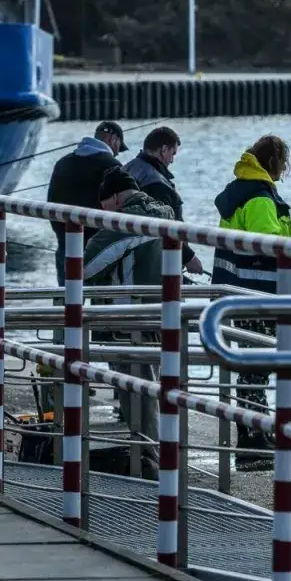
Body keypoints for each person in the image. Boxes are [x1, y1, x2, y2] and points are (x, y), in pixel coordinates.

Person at [210, 134, 291, 471]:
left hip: (235, 293)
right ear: (273, 160)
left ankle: (254, 430)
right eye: (284, 162)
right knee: (256, 366)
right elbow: (269, 243)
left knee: (249, 365)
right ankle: (252, 438)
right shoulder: (259, 197)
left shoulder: (240, 191)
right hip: (257, 294)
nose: (285, 170)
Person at [82, 167, 173, 479]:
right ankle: (154, 453)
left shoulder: (126, 224)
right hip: (162, 313)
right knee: (151, 386)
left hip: (130, 317)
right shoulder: (165, 213)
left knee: (138, 390)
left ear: (117, 196)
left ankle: (149, 459)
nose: (102, 212)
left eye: (104, 204)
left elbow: (84, 266)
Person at [47, 120, 126, 283]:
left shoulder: (63, 162)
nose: (118, 153)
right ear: (113, 139)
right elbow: (124, 205)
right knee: (102, 303)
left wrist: (61, 234)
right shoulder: (111, 164)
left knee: (68, 302)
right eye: (119, 146)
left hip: (66, 242)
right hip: (101, 248)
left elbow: (51, 202)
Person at [122, 125, 203, 275]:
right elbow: (163, 227)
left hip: (125, 257)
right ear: (163, 149)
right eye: (173, 153)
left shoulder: (127, 168)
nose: (172, 160)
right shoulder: (156, 183)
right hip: (150, 263)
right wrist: (188, 257)